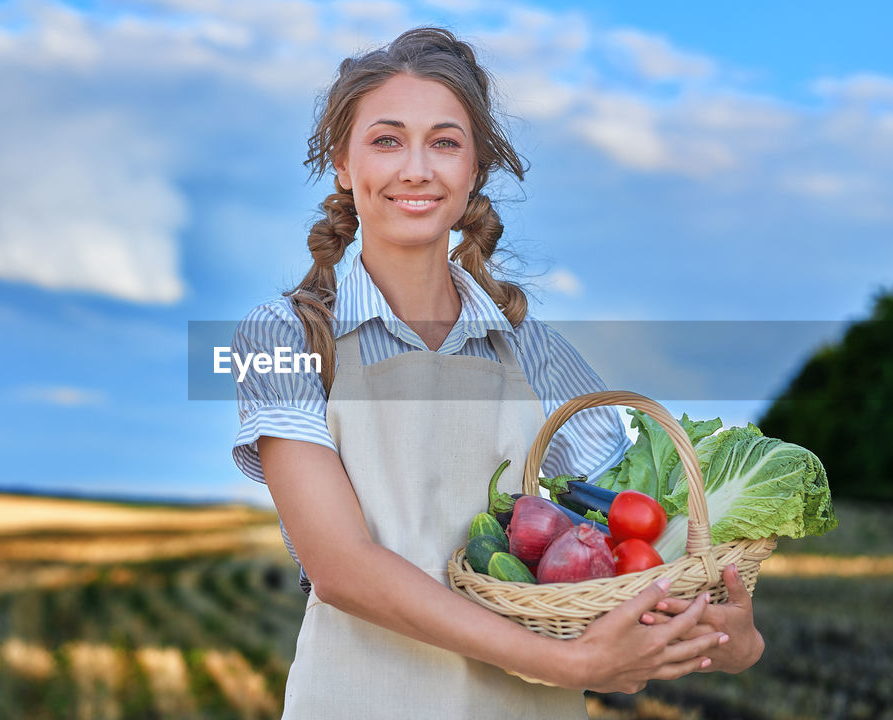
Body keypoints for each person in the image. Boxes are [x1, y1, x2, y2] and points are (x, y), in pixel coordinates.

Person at [230, 27, 763, 719]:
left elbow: (632, 533)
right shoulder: (279, 336)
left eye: (445, 143)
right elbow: (340, 569)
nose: (416, 169)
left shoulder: (530, 346)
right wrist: (569, 662)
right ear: (341, 162)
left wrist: (729, 635)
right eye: (386, 140)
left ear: (476, 168)